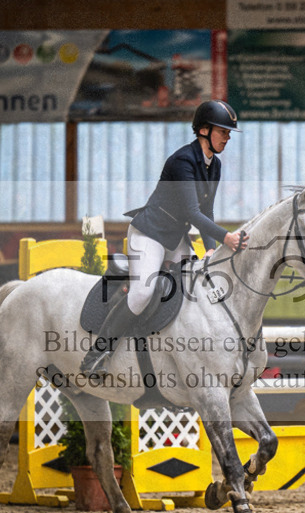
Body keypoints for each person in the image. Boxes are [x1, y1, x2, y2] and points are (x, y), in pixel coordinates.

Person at [80, 100, 248, 376]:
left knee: (197, 287)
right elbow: (192, 212)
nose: (227, 138)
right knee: (143, 292)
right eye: (223, 132)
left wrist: (210, 248)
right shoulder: (182, 161)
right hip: (149, 233)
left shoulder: (214, 165)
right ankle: (97, 354)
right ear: (204, 130)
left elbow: (207, 210)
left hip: (174, 237)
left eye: (229, 133)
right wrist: (226, 237)